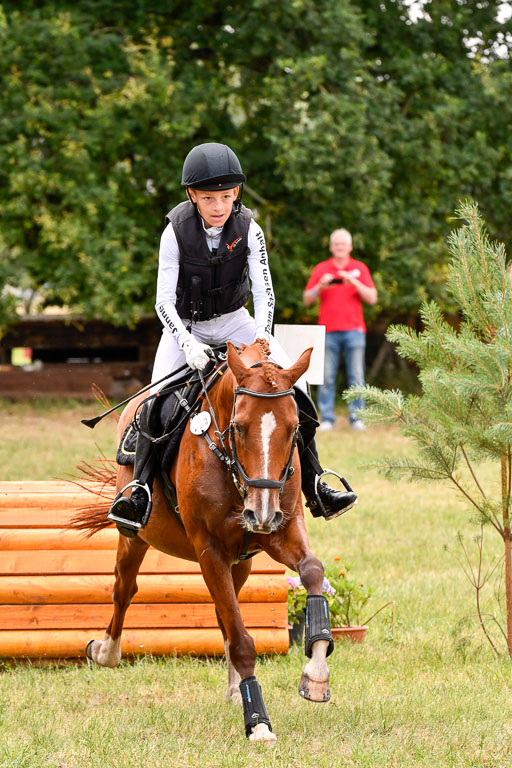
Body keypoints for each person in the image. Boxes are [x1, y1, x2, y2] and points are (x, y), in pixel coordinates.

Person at [108, 143, 357, 537]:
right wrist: (187, 345)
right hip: (184, 326)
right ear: (192, 195)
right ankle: (139, 490)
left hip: (236, 322)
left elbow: (264, 292)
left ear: (236, 193)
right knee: (155, 400)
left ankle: (315, 483)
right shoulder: (174, 232)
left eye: (226, 197)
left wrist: (261, 335)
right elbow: (162, 302)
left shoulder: (250, 229)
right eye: (209, 198)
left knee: (297, 387)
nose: (219, 206)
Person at [303, 228, 377, 431]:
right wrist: (320, 286)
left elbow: (372, 298)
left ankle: (357, 418)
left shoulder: (359, 268)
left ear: (350, 247)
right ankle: (327, 418)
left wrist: (354, 282)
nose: (340, 247)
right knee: (327, 377)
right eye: (336, 244)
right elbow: (307, 299)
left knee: (357, 376)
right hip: (327, 331)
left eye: (343, 244)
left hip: (355, 330)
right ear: (331, 247)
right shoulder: (322, 268)